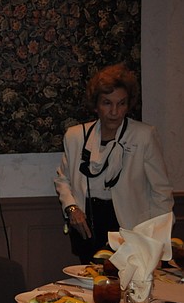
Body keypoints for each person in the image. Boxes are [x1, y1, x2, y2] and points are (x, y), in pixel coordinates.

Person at [55, 63, 173, 263]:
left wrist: (156, 241)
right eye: (107, 103)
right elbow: (63, 179)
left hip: (131, 228)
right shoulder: (75, 136)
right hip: (88, 226)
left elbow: (161, 192)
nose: (114, 112)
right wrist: (71, 208)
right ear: (95, 105)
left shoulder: (143, 136)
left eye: (121, 104)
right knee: (93, 285)